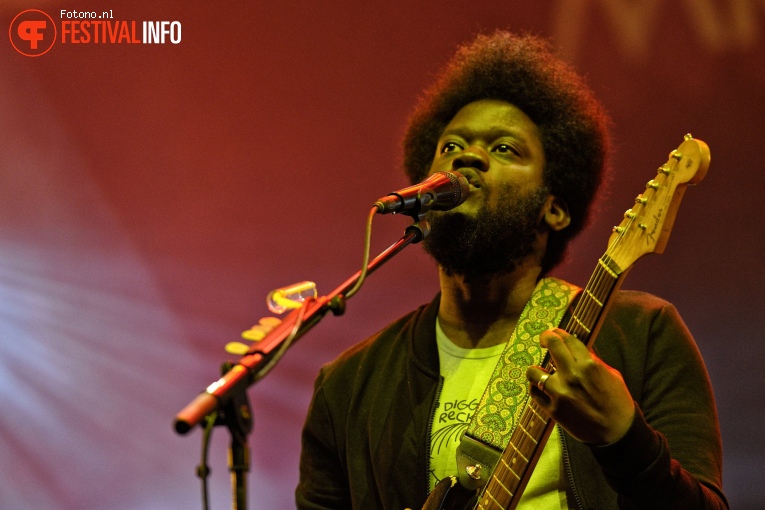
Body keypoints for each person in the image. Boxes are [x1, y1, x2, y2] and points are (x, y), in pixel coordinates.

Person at [295, 32, 728, 510]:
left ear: (555, 208)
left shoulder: (641, 335)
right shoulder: (349, 387)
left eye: (504, 149)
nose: (467, 156)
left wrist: (624, 439)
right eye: (451, 145)